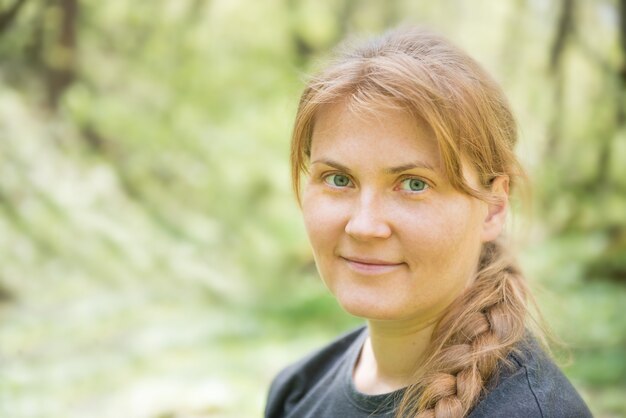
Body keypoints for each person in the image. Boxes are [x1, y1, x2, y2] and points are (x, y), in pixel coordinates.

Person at [265, 27, 592, 418]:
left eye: (413, 184)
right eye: (339, 179)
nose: (363, 226)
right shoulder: (296, 391)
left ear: (493, 207)